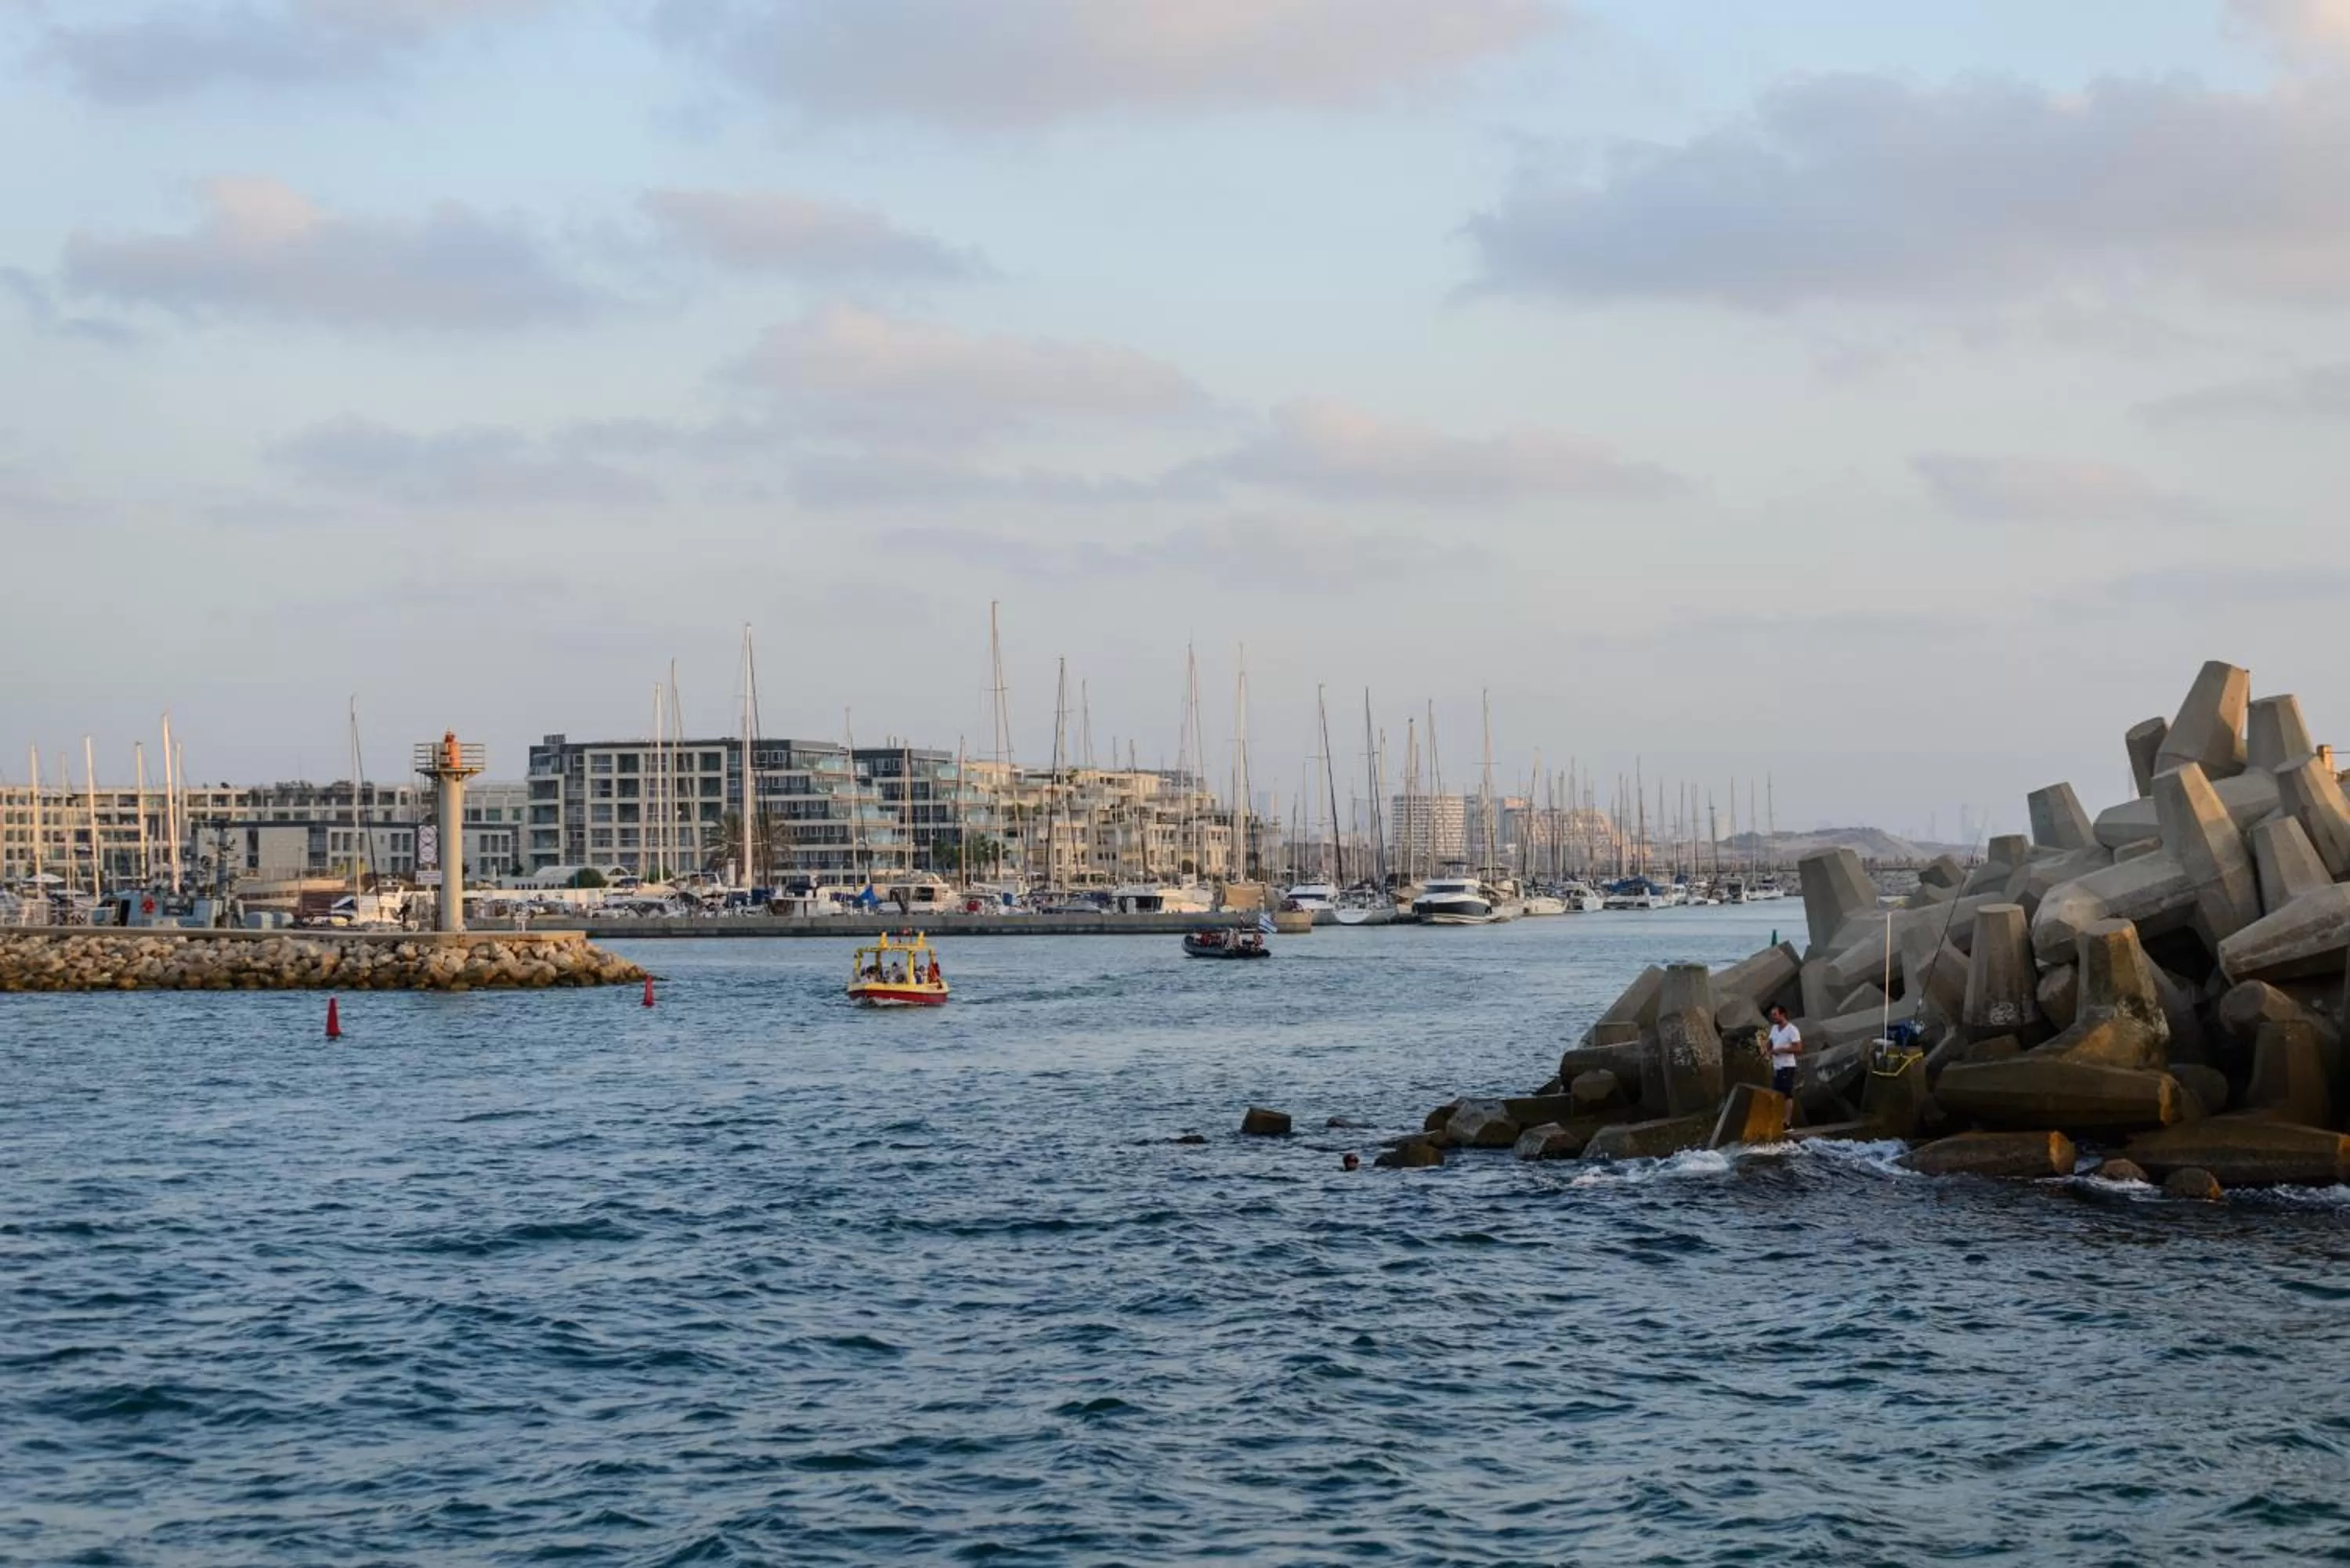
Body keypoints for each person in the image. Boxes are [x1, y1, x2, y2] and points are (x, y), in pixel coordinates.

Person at [1766, 1005, 1802, 1096]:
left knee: (1786, 1095)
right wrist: (1769, 1048)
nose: (1773, 1017)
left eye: (1775, 1014)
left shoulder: (1792, 1030)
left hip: (1787, 1066)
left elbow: (1798, 1048)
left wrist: (1781, 1050)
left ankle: (1787, 1110)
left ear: (1782, 1015)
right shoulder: (1774, 1028)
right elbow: (1770, 1041)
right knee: (1776, 1093)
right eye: (1772, 1015)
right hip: (1777, 1066)